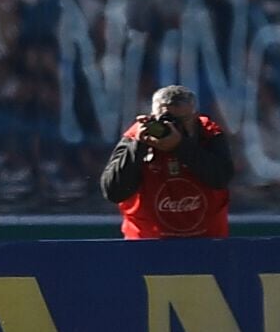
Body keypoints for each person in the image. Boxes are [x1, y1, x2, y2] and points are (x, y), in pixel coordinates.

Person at [100, 85, 233, 239]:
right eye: (165, 119)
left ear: (195, 116)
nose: (172, 126)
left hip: (206, 241)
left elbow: (220, 178)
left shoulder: (208, 134)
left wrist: (181, 146)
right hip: (146, 243)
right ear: (152, 116)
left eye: (181, 120)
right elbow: (114, 192)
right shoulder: (137, 136)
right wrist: (138, 146)